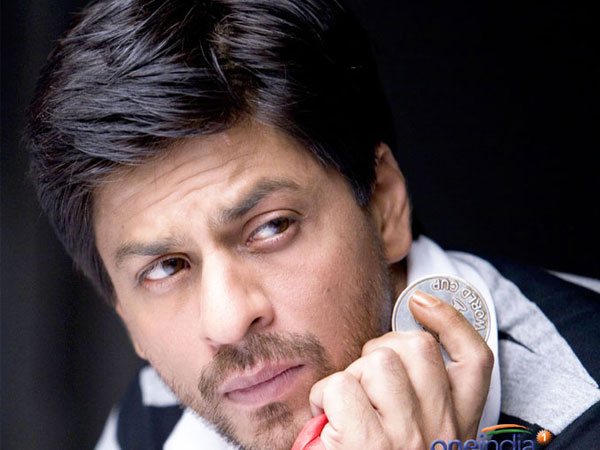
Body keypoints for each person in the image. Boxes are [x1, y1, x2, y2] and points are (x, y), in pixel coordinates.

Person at [25, 0, 599, 449]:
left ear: (384, 205)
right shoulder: (150, 421)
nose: (227, 321)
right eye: (166, 267)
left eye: (271, 227)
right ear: (124, 314)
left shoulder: (587, 402)